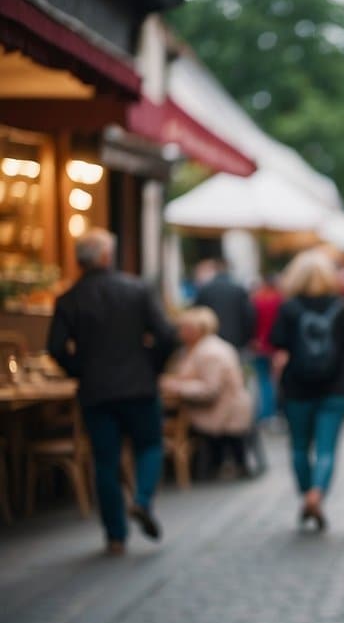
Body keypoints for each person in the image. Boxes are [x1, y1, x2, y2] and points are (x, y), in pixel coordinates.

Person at [47, 229, 178, 555]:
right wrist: (152, 365)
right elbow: (167, 335)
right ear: (107, 256)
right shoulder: (136, 290)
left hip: (96, 391)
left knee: (105, 461)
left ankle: (115, 536)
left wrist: (80, 369)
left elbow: (56, 349)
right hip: (138, 386)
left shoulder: (69, 298)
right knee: (149, 445)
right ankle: (143, 499)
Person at [269, 249, 344, 530]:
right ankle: (317, 493)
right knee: (326, 448)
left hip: (297, 387)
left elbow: (276, 340)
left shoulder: (289, 307)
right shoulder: (342, 306)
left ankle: (306, 494)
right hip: (335, 386)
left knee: (300, 447)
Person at [161, 307, 254, 478]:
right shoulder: (201, 348)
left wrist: (177, 386)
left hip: (223, 410)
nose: (180, 333)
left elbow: (210, 389)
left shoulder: (209, 352)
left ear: (196, 330)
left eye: (184, 328)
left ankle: (189, 467)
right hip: (225, 406)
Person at [194, 257, 255, 349]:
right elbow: (249, 316)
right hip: (236, 340)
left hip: (212, 340)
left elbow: (196, 315)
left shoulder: (205, 290)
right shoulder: (239, 290)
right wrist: (247, 338)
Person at [250, 276, 284, 423]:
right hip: (277, 346)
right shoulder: (281, 300)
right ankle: (275, 410)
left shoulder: (257, 300)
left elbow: (251, 322)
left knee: (263, 378)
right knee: (276, 379)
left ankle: (266, 412)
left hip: (260, 345)